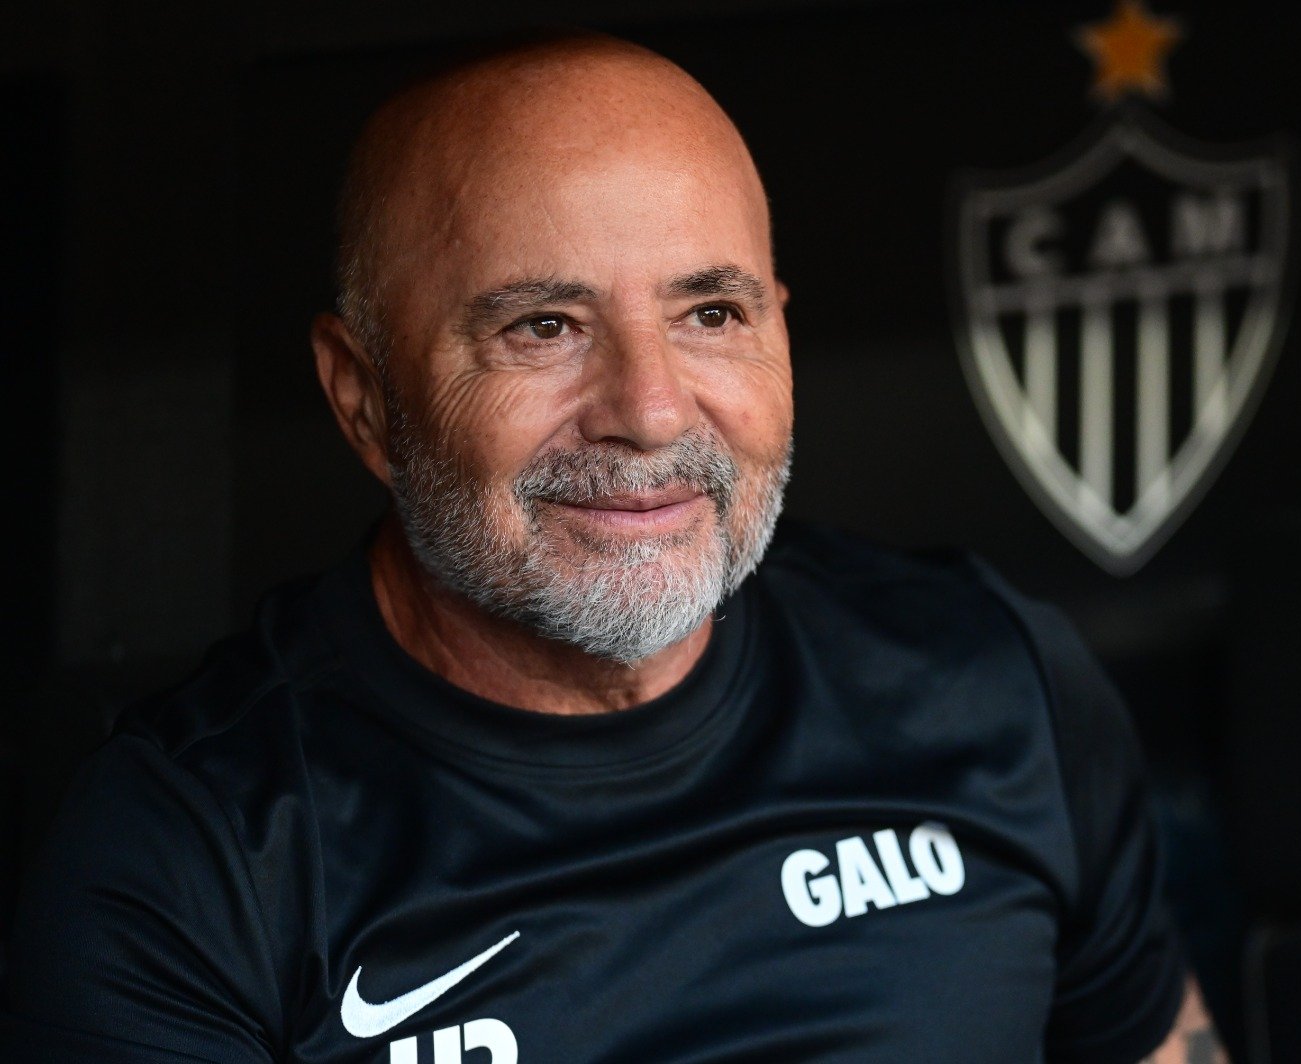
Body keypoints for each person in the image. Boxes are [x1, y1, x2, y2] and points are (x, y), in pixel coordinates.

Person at [1, 33, 1225, 1063]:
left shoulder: (993, 678)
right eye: (544, 326)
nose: (647, 408)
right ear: (363, 398)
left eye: (710, 313)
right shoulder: (189, 861)